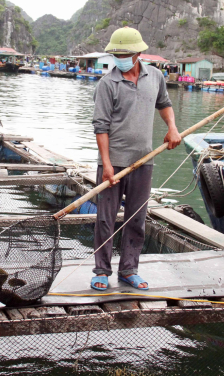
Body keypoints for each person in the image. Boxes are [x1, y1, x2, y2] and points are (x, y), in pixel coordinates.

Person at [90, 27, 181, 291]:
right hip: (113, 162)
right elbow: (101, 127)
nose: (120, 57)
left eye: (124, 53)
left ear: (138, 53)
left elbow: (164, 104)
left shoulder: (155, 76)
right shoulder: (107, 84)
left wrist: (172, 128)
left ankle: (129, 269)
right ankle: (101, 271)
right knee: (106, 219)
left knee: (136, 218)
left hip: (144, 160)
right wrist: (106, 164)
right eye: (116, 53)